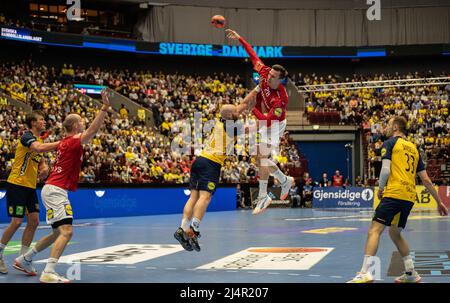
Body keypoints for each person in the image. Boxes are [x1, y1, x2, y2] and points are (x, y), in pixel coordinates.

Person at [14, 89, 110, 283]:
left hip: (51, 189)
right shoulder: (74, 141)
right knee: (67, 231)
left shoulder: (66, 142)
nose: (84, 125)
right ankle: (48, 272)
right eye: (81, 122)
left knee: (57, 232)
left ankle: (25, 258)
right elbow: (93, 130)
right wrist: (105, 107)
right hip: (56, 191)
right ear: (75, 126)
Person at [348, 116, 448, 283]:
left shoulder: (390, 143)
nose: (386, 128)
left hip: (394, 193)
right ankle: (411, 273)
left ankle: (366, 272)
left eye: (388, 124)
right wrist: (439, 202)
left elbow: (385, 170)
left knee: (374, 230)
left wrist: (380, 189)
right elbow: (426, 180)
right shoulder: (414, 149)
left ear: (395, 127)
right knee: (395, 233)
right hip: (409, 196)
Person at [227, 29, 294, 215]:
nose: (268, 76)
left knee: (262, 156)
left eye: (273, 76)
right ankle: (283, 180)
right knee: (257, 156)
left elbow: (266, 120)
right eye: (269, 73)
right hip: (265, 120)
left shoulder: (280, 99)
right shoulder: (265, 73)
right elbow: (252, 53)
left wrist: (252, 109)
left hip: (275, 124)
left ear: (280, 80)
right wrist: (240, 38)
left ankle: (263, 195)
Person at [0, 111, 59, 275]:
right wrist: (61, 143)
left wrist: (44, 168)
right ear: (33, 123)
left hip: (30, 187)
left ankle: (22, 259)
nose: (44, 122)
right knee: (17, 222)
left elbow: (40, 160)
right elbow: (37, 148)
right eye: (41, 120)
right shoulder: (27, 137)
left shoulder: (38, 141)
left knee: (34, 221)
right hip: (17, 184)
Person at [174, 105, 240, 252]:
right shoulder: (233, 127)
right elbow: (242, 116)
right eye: (234, 111)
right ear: (229, 116)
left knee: (193, 197)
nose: (238, 112)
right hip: (211, 163)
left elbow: (236, 109)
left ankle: (183, 228)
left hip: (199, 160)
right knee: (205, 197)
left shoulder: (218, 122)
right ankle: (194, 229)